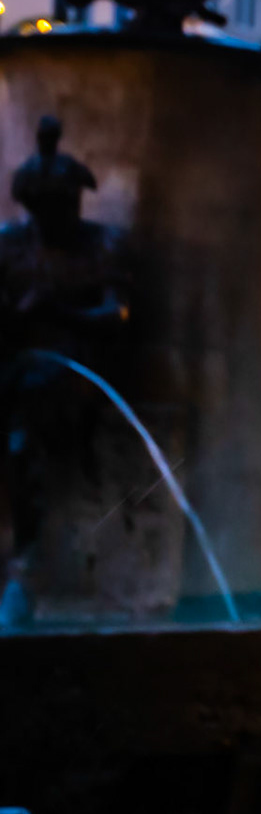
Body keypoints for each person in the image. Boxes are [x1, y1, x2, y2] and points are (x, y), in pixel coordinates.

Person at [0, 116, 131, 561]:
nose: (57, 216)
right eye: (46, 207)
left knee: (31, 417)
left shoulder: (103, 244)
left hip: (77, 365)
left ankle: (30, 550)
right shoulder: (10, 246)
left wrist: (58, 310)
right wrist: (17, 314)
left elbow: (118, 315)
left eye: (65, 204)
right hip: (19, 362)